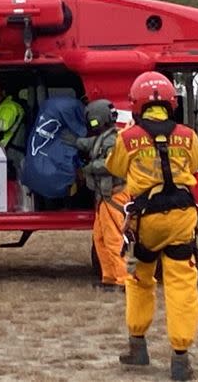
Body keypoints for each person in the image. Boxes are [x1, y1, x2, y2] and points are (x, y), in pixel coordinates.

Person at [105, 71, 198, 381]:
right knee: (181, 284)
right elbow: (196, 164)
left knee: (141, 279)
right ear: (171, 103)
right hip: (182, 217)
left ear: (137, 104)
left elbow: (115, 167)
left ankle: (137, 344)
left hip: (147, 220)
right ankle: (180, 358)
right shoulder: (187, 134)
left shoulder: (128, 137)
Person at [71, 99, 129, 291]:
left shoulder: (113, 141)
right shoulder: (105, 137)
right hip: (104, 197)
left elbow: (109, 164)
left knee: (113, 239)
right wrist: (71, 140)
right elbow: (90, 144)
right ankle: (109, 277)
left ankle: (122, 279)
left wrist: (87, 169)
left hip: (113, 195)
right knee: (100, 238)